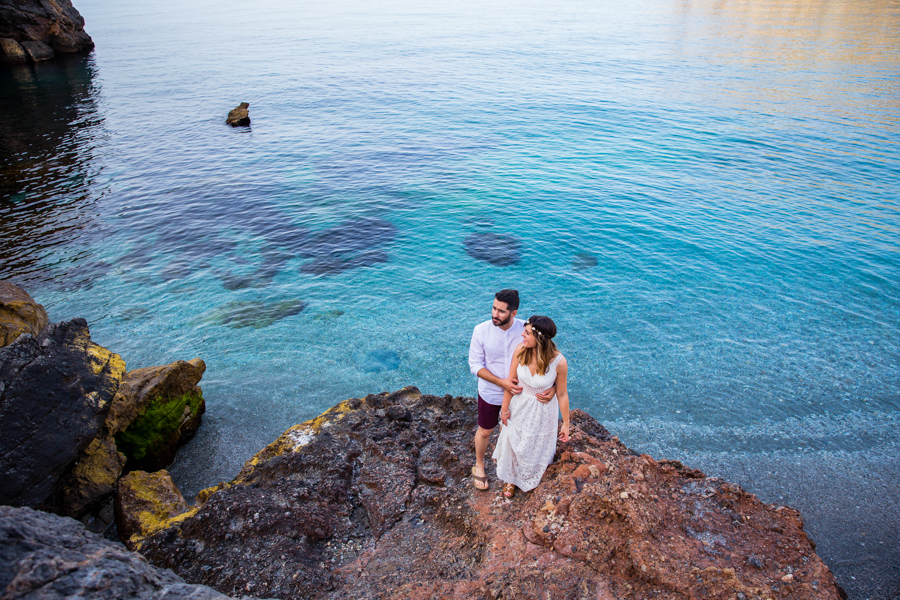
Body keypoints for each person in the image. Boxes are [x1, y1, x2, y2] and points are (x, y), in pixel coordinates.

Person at [468, 290, 554, 491]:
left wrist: (553, 386)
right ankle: (479, 465)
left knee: (519, 434)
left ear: (514, 313)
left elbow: (549, 357)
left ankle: (514, 475)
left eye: (501, 311)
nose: (495, 314)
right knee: (485, 430)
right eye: (494, 308)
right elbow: (474, 365)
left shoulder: (527, 330)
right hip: (490, 391)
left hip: (521, 395)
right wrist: (502, 382)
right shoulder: (480, 330)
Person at [492, 315, 569, 498]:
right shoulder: (520, 350)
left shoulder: (559, 362)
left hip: (542, 411)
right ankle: (511, 479)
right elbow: (510, 383)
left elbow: (563, 393)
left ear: (539, 338)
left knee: (535, 445)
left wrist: (566, 423)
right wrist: (504, 410)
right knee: (515, 442)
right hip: (520, 406)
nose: (522, 335)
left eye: (527, 333)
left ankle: (531, 476)